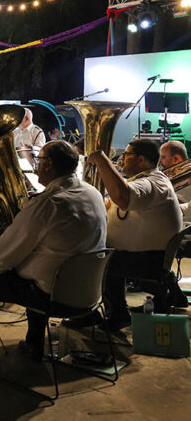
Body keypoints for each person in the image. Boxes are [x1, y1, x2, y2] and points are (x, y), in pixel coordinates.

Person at [0, 141, 107, 372]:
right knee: (39, 271)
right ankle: (33, 342)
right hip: (87, 292)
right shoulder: (92, 192)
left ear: (49, 165)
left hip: (53, 296)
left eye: (39, 160)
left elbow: (9, 249)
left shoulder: (48, 203)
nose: (36, 165)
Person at [73, 139, 183, 330]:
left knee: (85, 259)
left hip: (147, 260)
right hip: (146, 255)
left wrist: (101, 161)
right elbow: (117, 201)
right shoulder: (150, 179)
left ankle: (111, 315)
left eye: (126, 155)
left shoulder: (152, 183)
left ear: (141, 160)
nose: (122, 159)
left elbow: (124, 198)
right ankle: (104, 312)